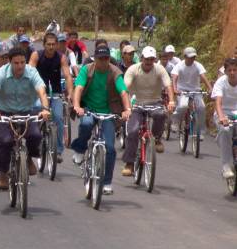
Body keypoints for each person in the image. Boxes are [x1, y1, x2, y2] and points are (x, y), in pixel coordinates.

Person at [71, 46, 131, 195]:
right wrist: (77, 106)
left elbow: (123, 91)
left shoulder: (115, 72)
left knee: (110, 149)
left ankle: (107, 183)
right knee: (86, 124)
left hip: (108, 113)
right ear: (95, 59)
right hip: (89, 108)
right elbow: (78, 88)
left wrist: (127, 109)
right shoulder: (87, 69)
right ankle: (79, 149)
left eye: (106, 59)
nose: (103, 62)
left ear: (109, 59)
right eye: (100, 59)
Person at [0, 47, 51, 189]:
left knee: (35, 135)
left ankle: (28, 159)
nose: (20, 66)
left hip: (26, 112)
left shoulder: (31, 72)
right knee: (5, 142)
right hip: (4, 113)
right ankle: (3, 173)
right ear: (10, 62)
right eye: (16, 63)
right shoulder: (1, 73)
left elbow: (41, 91)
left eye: (22, 62)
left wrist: (45, 109)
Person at [120, 46, 175, 175]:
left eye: (151, 59)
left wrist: (171, 101)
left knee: (161, 114)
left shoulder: (159, 69)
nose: (149, 62)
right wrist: (127, 106)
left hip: (155, 102)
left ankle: (156, 139)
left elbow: (168, 85)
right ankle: (129, 164)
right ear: (141, 58)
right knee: (133, 131)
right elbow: (125, 87)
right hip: (136, 103)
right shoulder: (133, 69)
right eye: (146, 59)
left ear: (154, 59)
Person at [29, 32, 74, 163]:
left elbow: (68, 76)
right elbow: (29, 73)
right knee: (37, 109)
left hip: (55, 93)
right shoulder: (36, 55)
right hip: (38, 92)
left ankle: (58, 151)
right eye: (48, 44)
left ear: (57, 45)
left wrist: (70, 93)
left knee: (59, 118)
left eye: (53, 44)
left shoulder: (61, 58)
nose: (51, 47)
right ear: (43, 45)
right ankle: (36, 141)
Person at [171, 47, 212, 134]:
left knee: (201, 108)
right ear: (185, 56)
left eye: (193, 57)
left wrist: (210, 88)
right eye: (190, 57)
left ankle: (200, 130)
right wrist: (175, 89)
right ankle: (175, 121)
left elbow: (203, 77)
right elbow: (174, 78)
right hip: (182, 90)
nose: (192, 59)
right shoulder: (179, 66)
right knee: (182, 106)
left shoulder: (198, 65)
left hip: (195, 90)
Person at [212, 58, 237, 178]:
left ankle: (221, 139)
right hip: (223, 112)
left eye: (235, 70)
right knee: (226, 129)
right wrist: (222, 117)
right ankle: (226, 166)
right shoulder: (221, 82)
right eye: (230, 70)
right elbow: (218, 103)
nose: (232, 73)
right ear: (226, 71)